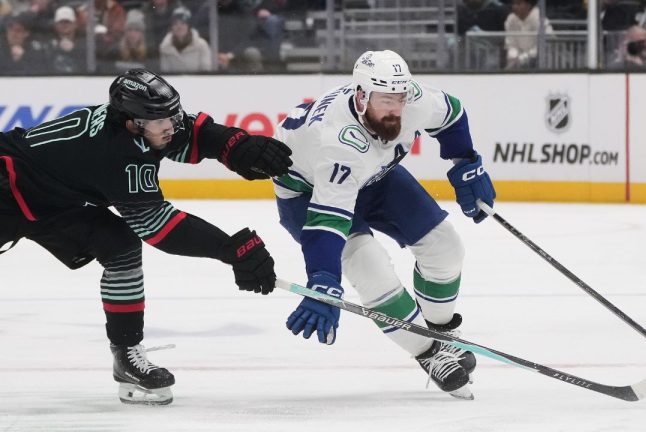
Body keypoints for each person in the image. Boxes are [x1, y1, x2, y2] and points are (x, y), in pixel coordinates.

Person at [0, 68, 292, 405]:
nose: (171, 126)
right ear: (131, 123)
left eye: (173, 115)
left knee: (120, 247)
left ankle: (126, 356)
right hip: (6, 191)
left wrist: (235, 145)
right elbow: (159, 227)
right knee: (128, 236)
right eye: (160, 121)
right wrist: (229, 249)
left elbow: (195, 135)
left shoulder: (149, 125)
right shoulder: (116, 155)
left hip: (54, 200)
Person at [273, 50, 496, 400]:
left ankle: (439, 335)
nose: (396, 108)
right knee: (369, 265)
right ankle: (429, 352)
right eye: (386, 100)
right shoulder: (338, 141)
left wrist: (465, 161)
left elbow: (451, 114)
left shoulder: (412, 100)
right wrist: (324, 281)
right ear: (361, 96)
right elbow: (327, 221)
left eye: (400, 98)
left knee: (445, 248)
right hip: (309, 195)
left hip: (376, 179)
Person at [159, 6, 212, 73]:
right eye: (175, 24)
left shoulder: (202, 45)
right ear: (171, 27)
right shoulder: (165, 47)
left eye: (183, 23)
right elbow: (165, 73)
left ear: (189, 26)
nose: (179, 27)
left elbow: (206, 73)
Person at [504, 0, 552, 70]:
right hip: (518, 64)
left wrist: (522, 58)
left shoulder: (539, 19)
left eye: (518, 4)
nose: (514, 7)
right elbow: (511, 43)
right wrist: (513, 57)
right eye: (513, 4)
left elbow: (544, 45)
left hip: (542, 64)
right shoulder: (511, 19)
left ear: (529, 5)